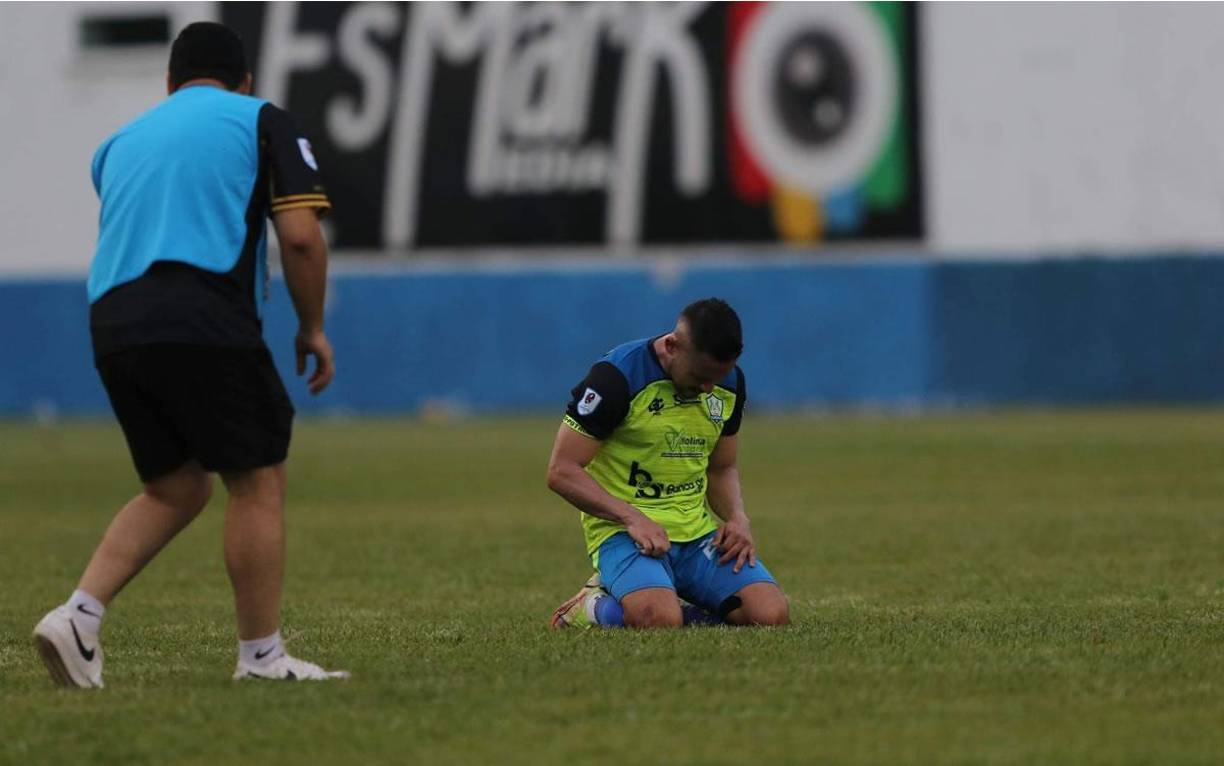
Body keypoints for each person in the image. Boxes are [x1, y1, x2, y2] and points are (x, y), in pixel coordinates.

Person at [33, 22, 346, 686]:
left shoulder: (116, 144)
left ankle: (78, 617)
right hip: (201, 310)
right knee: (257, 480)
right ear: (246, 82)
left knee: (175, 486)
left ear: (169, 84)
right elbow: (299, 238)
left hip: (113, 320)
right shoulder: (261, 119)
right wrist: (312, 326)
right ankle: (261, 657)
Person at [547, 298, 790, 629]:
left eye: (717, 378)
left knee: (770, 615)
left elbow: (721, 468)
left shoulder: (729, 384)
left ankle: (668, 601)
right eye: (700, 376)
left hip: (696, 533)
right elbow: (562, 470)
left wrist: (737, 518)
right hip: (623, 531)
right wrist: (631, 517)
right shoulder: (616, 378)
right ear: (673, 346)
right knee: (658, 619)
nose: (707, 388)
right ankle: (589, 606)